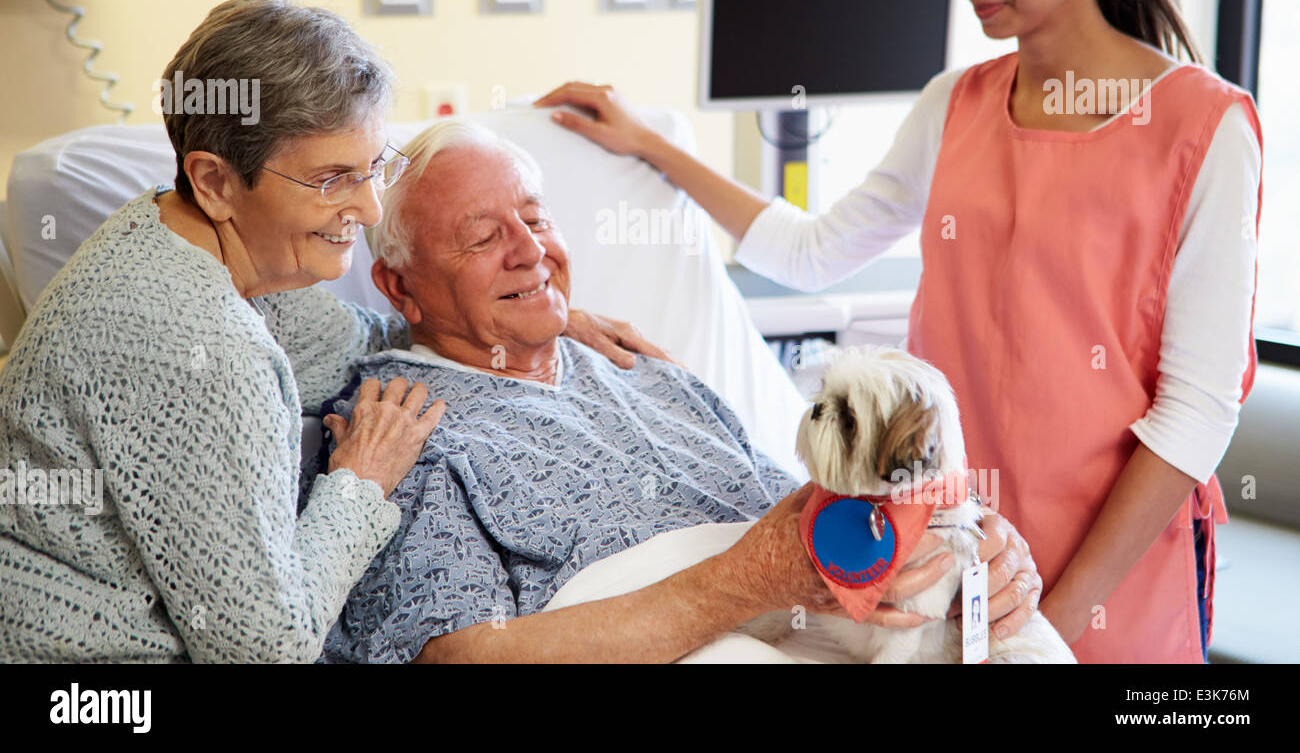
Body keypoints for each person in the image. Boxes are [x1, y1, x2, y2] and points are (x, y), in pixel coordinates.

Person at [536, 0, 1263, 664]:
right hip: (942, 553)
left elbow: (1194, 415)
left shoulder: (1204, 130)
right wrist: (654, 145)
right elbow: (812, 253)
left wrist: (1045, 629)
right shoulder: (953, 106)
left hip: (1111, 574)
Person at [0, 0, 663, 662]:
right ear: (216, 182)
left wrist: (529, 309)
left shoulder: (194, 241)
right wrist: (361, 482)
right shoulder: (198, 349)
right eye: (333, 179)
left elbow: (362, 340)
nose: (371, 208)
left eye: (374, 166)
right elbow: (263, 652)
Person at [316, 118, 1044, 663]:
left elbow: (812, 507)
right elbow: (455, 657)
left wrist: (964, 550)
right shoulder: (400, 430)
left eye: (536, 219)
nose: (531, 252)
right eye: (483, 238)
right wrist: (743, 583)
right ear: (398, 288)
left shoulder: (643, 367)